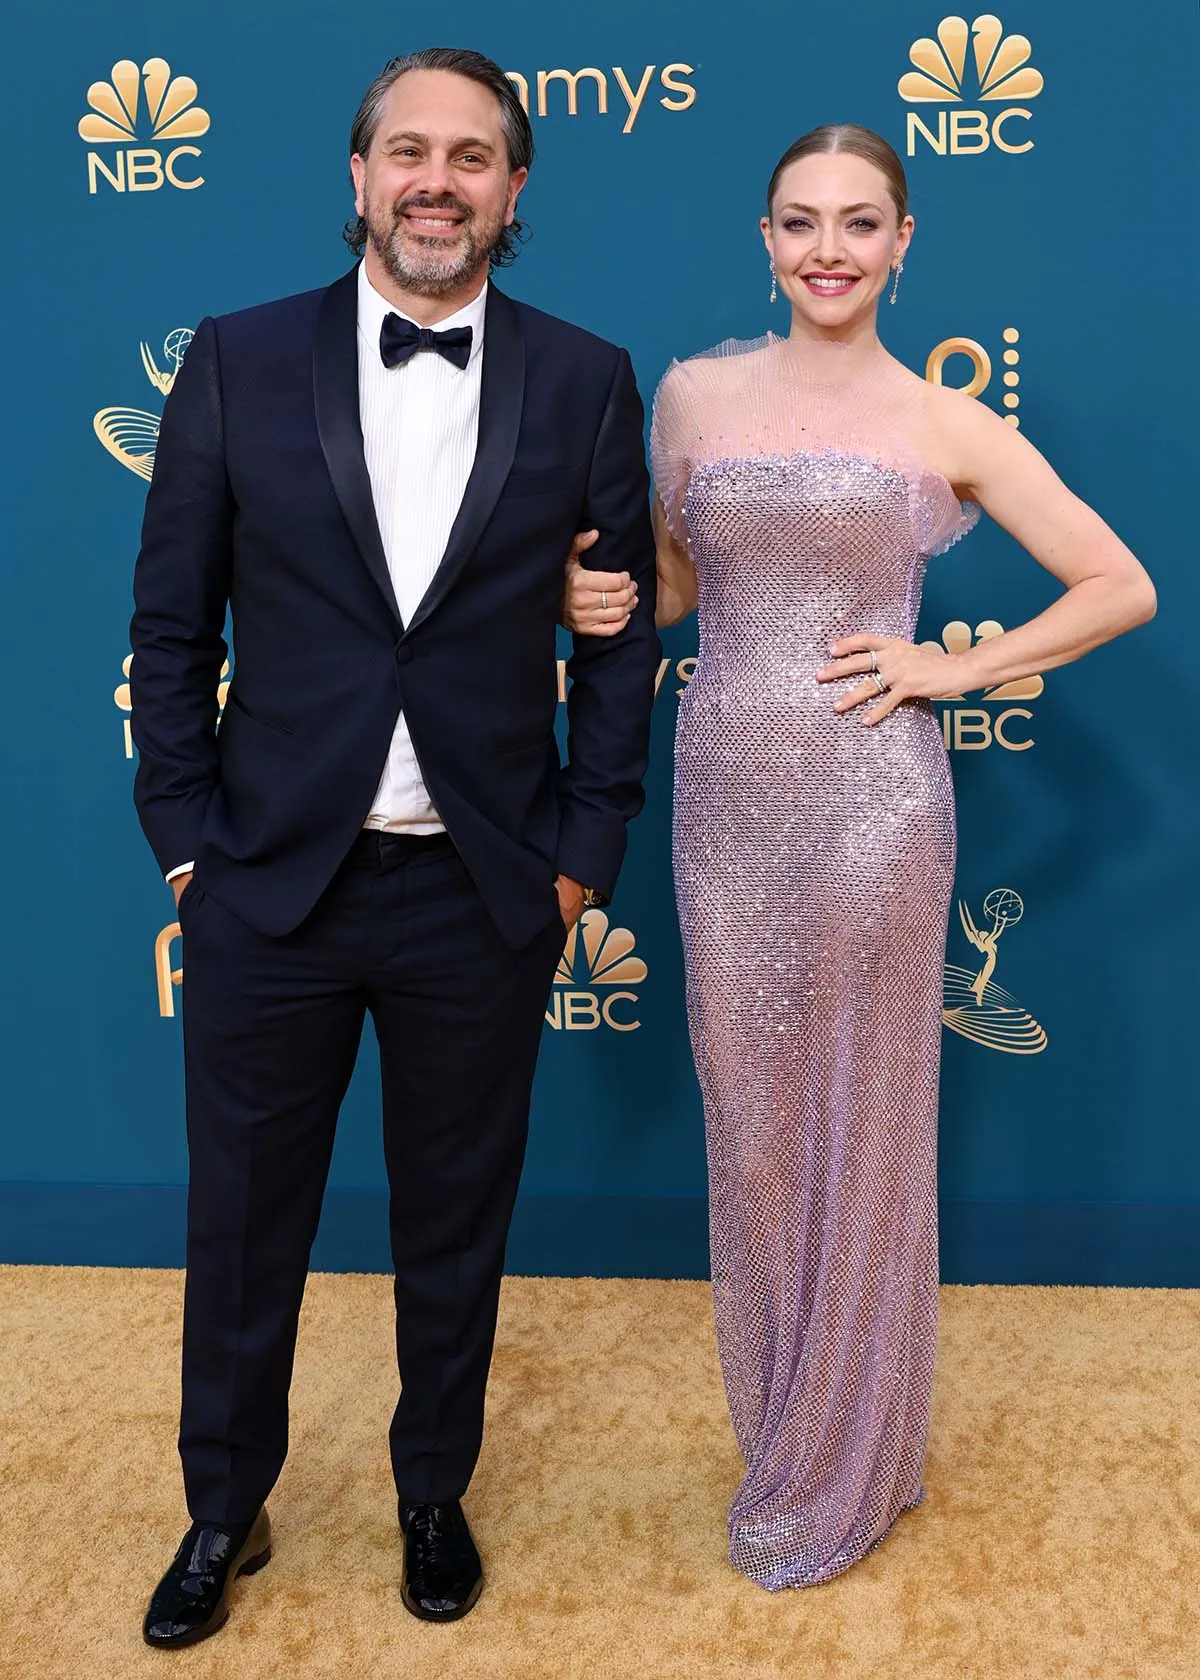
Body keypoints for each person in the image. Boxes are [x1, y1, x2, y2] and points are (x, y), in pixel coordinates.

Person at [563, 124, 1155, 1588]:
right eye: (801, 221)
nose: (828, 248)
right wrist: (600, 609)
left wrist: (957, 668)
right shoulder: (692, 396)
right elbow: (681, 586)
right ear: (765, 238)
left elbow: (1119, 584)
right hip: (722, 805)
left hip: (878, 816)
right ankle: (787, 1433)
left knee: (869, 1122)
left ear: (903, 242)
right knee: (752, 1126)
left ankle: (854, 1461)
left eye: (859, 222)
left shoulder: (942, 419)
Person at [131, 47, 658, 1646]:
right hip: (268, 883)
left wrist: (581, 853)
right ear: (360, 177)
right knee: (242, 1226)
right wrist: (187, 847)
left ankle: (434, 1490)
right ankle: (224, 1508)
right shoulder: (235, 359)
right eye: (409, 151)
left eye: (472, 156)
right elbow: (171, 628)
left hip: (483, 890)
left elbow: (619, 639)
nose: (439, 181)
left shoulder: (587, 378)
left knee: (455, 1220)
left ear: (515, 189)